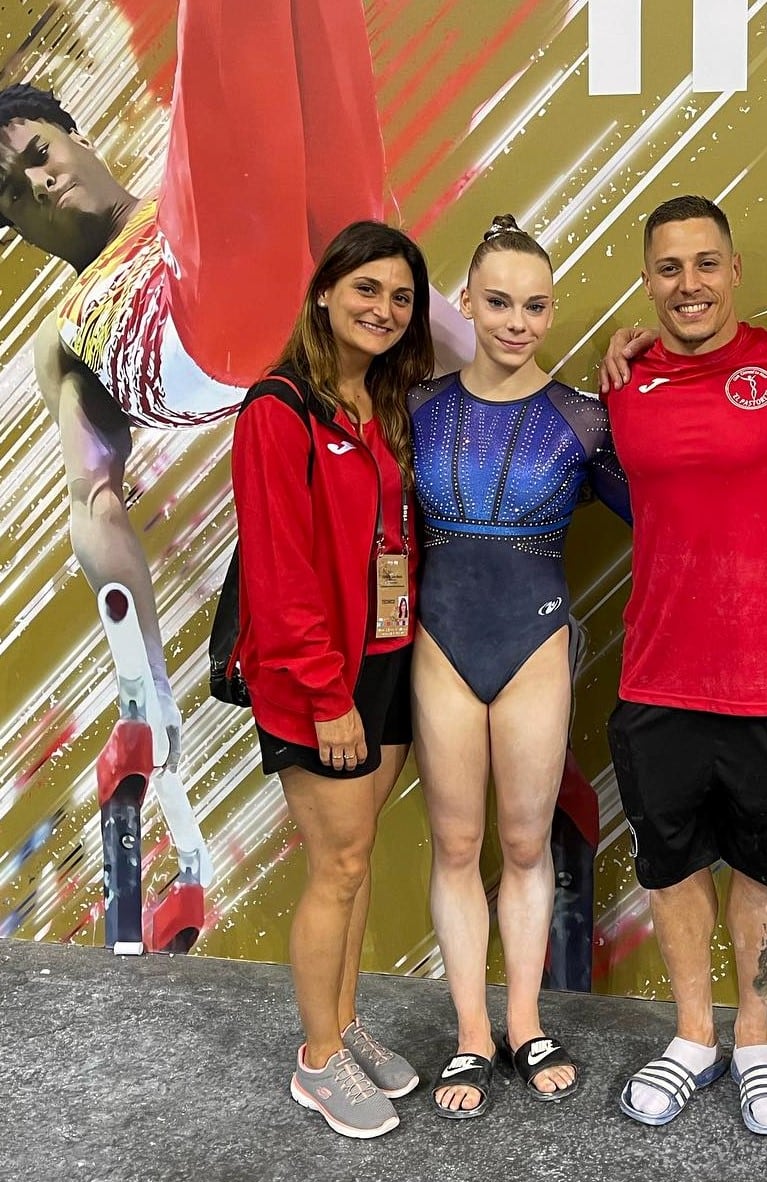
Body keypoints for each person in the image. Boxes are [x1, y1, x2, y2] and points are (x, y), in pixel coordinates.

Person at [0, 0, 471, 776]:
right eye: (13, 195)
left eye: (39, 155)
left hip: (309, 280)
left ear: (77, 136)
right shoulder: (62, 332)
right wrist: (142, 672)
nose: (39, 185)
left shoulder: (184, 193)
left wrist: (535, 394)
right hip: (201, 326)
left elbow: (417, 310)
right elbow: (94, 499)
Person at [601, 196, 767, 1137]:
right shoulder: (624, 379)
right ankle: (694, 1033)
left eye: (705, 264)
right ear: (648, 279)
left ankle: (755, 1036)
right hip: (656, 675)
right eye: (667, 268)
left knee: (766, 865)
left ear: (735, 271)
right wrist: (619, 345)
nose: (687, 285)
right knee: (674, 861)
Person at [411, 216, 630, 1119]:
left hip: (536, 644)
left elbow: (673, 508)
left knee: (527, 845)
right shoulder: (416, 406)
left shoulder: (584, 418)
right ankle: (471, 1031)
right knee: (458, 847)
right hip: (441, 642)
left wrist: (644, 369)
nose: (516, 321)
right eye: (498, 301)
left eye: (535, 305)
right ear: (466, 301)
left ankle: (526, 1018)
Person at [229, 220, 435, 1139]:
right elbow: (280, 574)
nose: (384, 310)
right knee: (338, 863)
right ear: (324, 293)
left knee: (355, 863)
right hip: (321, 682)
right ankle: (316, 1059)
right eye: (367, 291)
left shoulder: (377, 404)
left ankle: (344, 1025)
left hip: (384, 663)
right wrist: (325, 695)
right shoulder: (280, 408)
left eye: (400, 297)